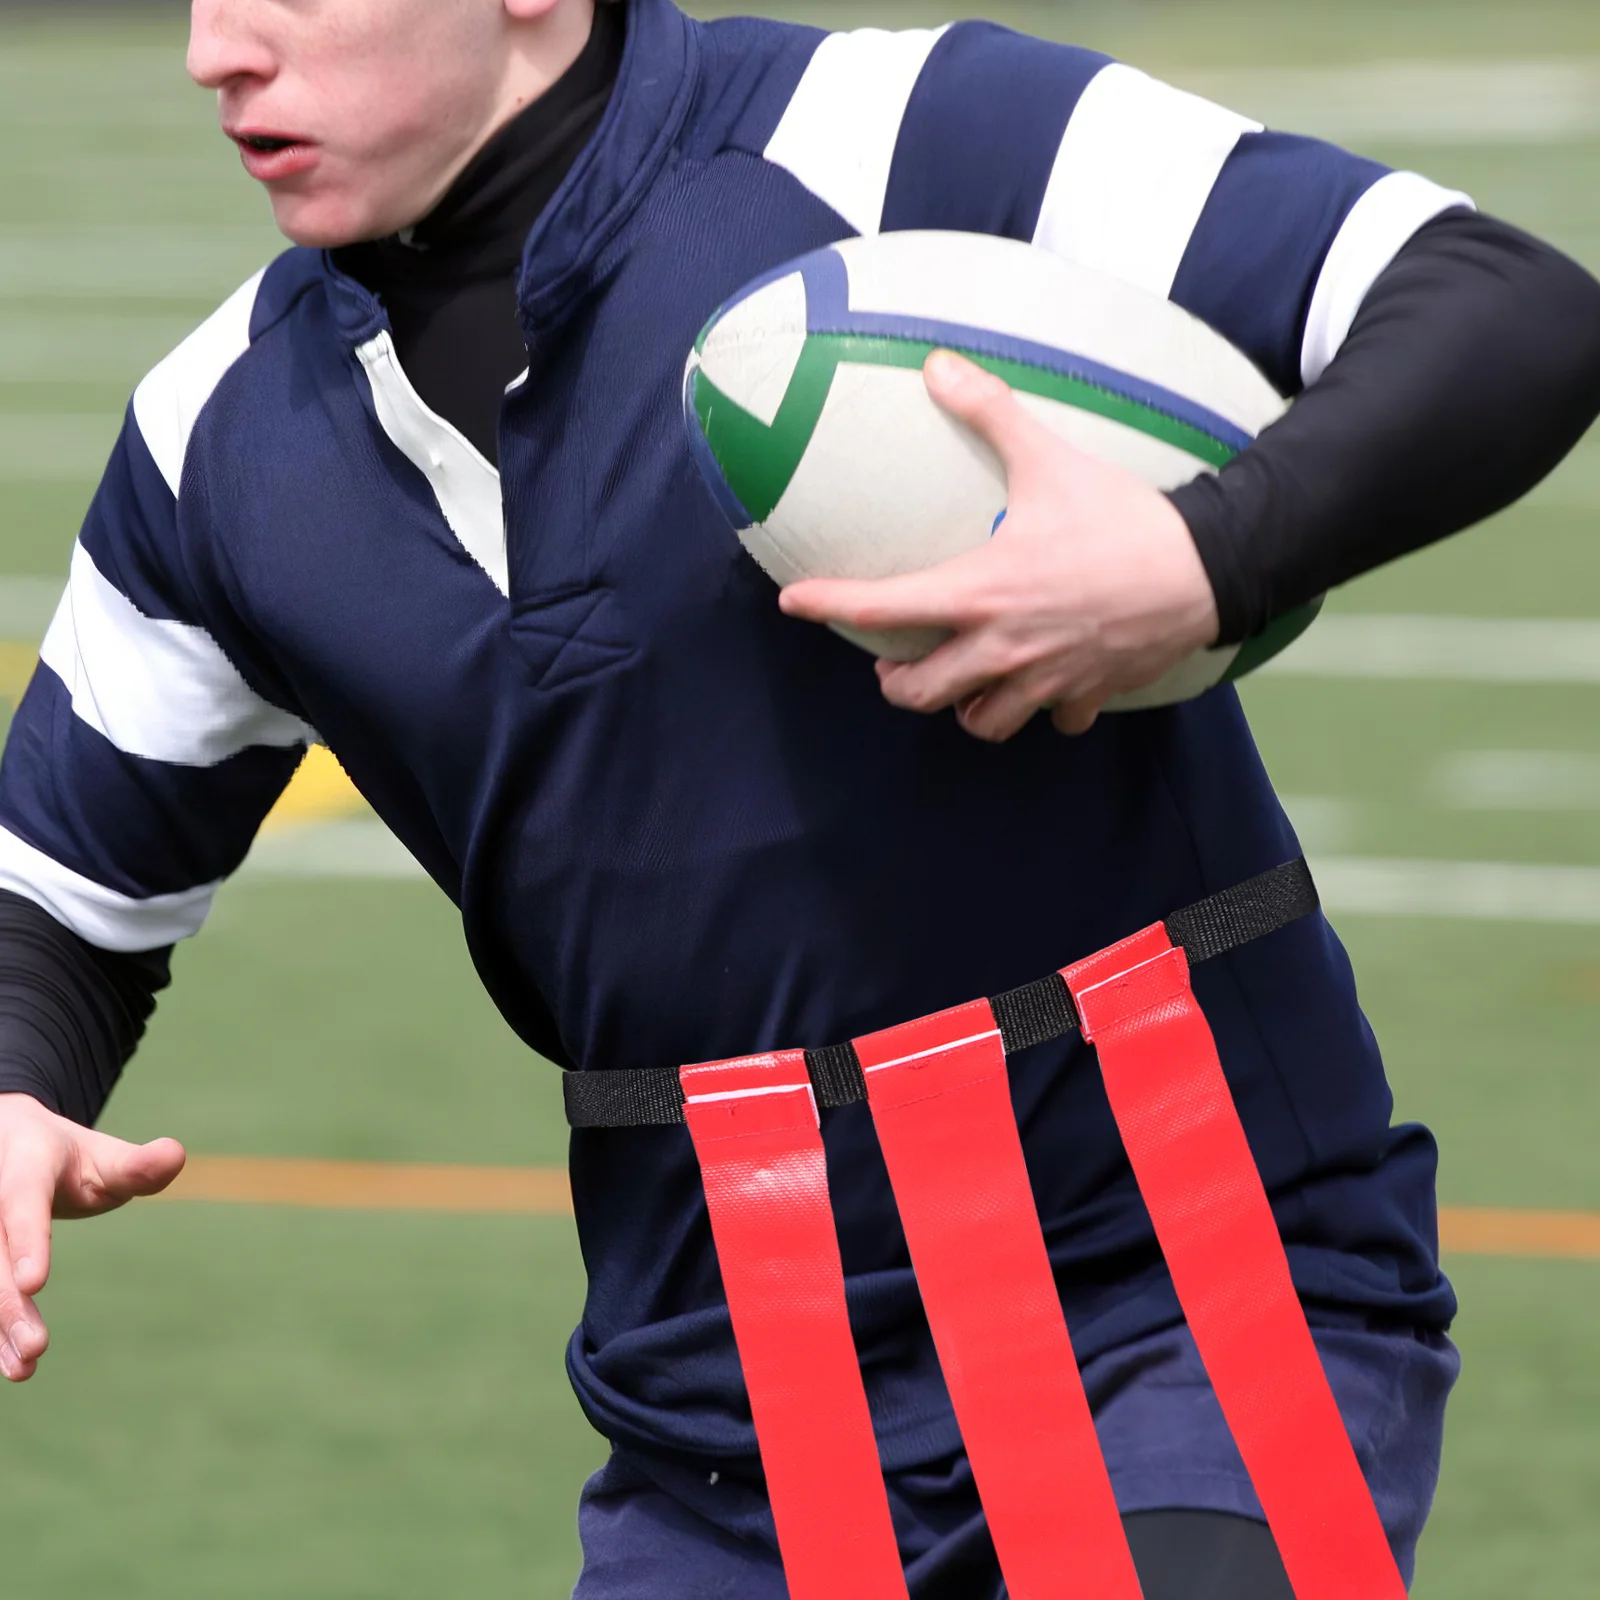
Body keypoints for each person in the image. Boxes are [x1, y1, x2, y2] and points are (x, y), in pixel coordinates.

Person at [0, 0, 1597, 1593]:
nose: (217, 49)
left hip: (1188, 1301)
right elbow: (58, 904)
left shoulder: (903, 127)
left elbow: (1506, 305)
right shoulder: (215, 441)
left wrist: (1200, 556)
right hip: (722, 1422)